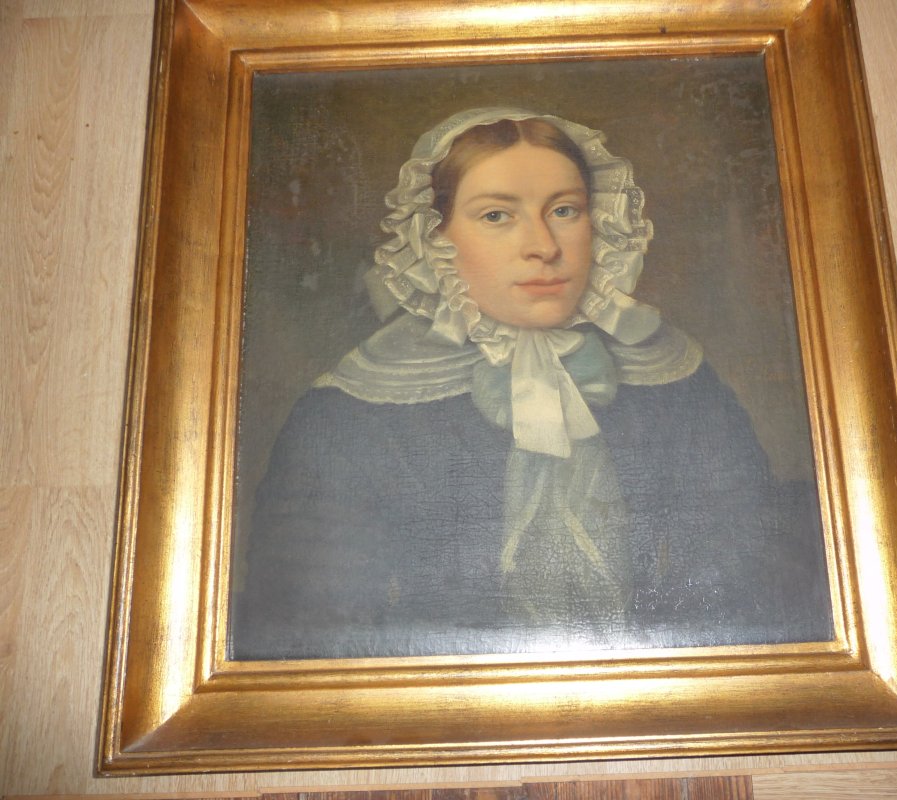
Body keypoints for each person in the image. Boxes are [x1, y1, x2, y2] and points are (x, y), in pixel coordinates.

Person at [230, 107, 832, 660]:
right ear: (433, 239)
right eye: (497, 215)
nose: (543, 247)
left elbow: (754, 590)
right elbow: (307, 638)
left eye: (564, 210)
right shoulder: (348, 414)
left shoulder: (679, 382)